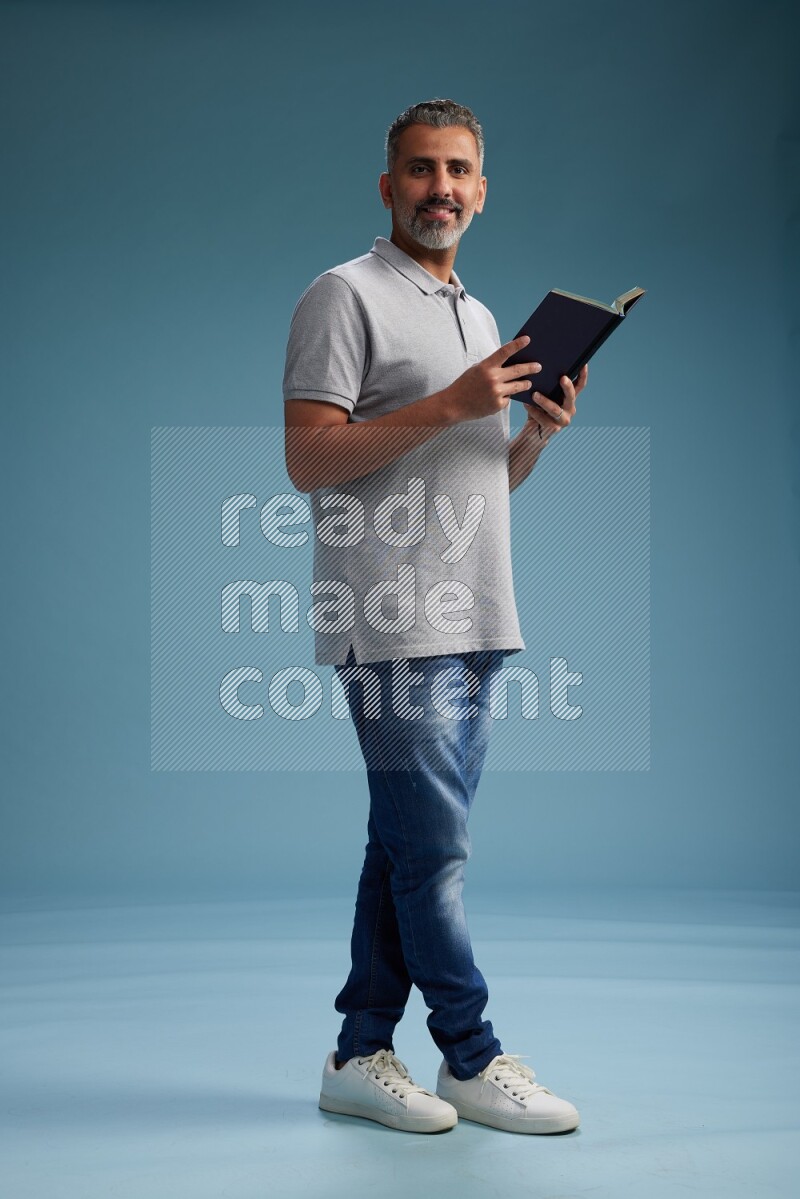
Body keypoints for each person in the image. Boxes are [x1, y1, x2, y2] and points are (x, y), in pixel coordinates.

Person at [282, 98, 588, 1135]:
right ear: (387, 186)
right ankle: (471, 1051)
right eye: (420, 169)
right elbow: (309, 456)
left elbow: (474, 482)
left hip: (477, 615)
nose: (440, 188)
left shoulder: (477, 313)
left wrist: (530, 434)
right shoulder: (343, 295)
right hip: (389, 613)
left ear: (482, 189)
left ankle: (359, 1050)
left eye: (458, 170)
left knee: (405, 847)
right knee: (436, 854)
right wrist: (451, 404)